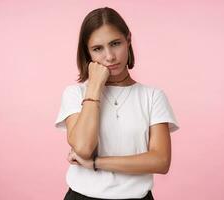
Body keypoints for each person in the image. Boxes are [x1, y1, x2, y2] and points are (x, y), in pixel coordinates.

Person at [55, 7, 180, 200]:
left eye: (115, 44)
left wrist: (97, 163)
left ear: (128, 40)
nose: (110, 56)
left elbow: (161, 161)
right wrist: (95, 86)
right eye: (97, 49)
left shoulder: (153, 96)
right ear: (87, 53)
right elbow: (83, 147)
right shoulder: (75, 93)